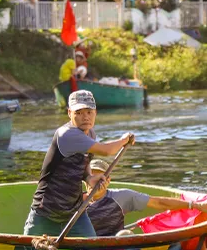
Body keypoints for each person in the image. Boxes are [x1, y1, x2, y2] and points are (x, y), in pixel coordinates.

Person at [25, 90, 135, 238]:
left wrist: (89, 178)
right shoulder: (66, 134)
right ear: (69, 113)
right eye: (79, 112)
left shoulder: (90, 134)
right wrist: (124, 139)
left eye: (89, 112)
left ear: (95, 113)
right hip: (46, 211)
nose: (85, 117)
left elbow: (83, 162)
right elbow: (107, 151)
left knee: (91, 248)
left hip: (74, 213)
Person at [84, 159, 207, 236]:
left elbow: (159, 203)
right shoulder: (75, 201)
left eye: (100, 177)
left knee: (125, 235)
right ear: (85, 180)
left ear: (108, 180)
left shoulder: (121, 196)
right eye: (93, 177)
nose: (96, 181)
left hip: (113, 248)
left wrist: (194, 205)